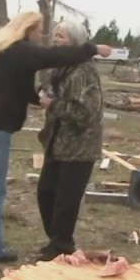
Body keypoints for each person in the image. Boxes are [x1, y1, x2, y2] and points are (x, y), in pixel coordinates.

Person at [0, 11, 112, 263]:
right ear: (28, 29)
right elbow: (56, 56)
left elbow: (23, 89)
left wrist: (44, 101)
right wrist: (94, 48)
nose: (47, 37)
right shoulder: (21, 50)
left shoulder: (8, 50)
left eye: (59, 35)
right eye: (43, 30)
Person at [35, 20, 105, 261]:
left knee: (66, 200)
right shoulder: (61, 68)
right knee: (46, 193)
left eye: (61, 36)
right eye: (55, 35)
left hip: (79, 147)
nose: (56, 39)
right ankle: (58, 241)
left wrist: (53, 104)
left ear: (74, 42)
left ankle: (61, 244)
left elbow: (87, 113)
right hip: (58, 143)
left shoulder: (83, 72)